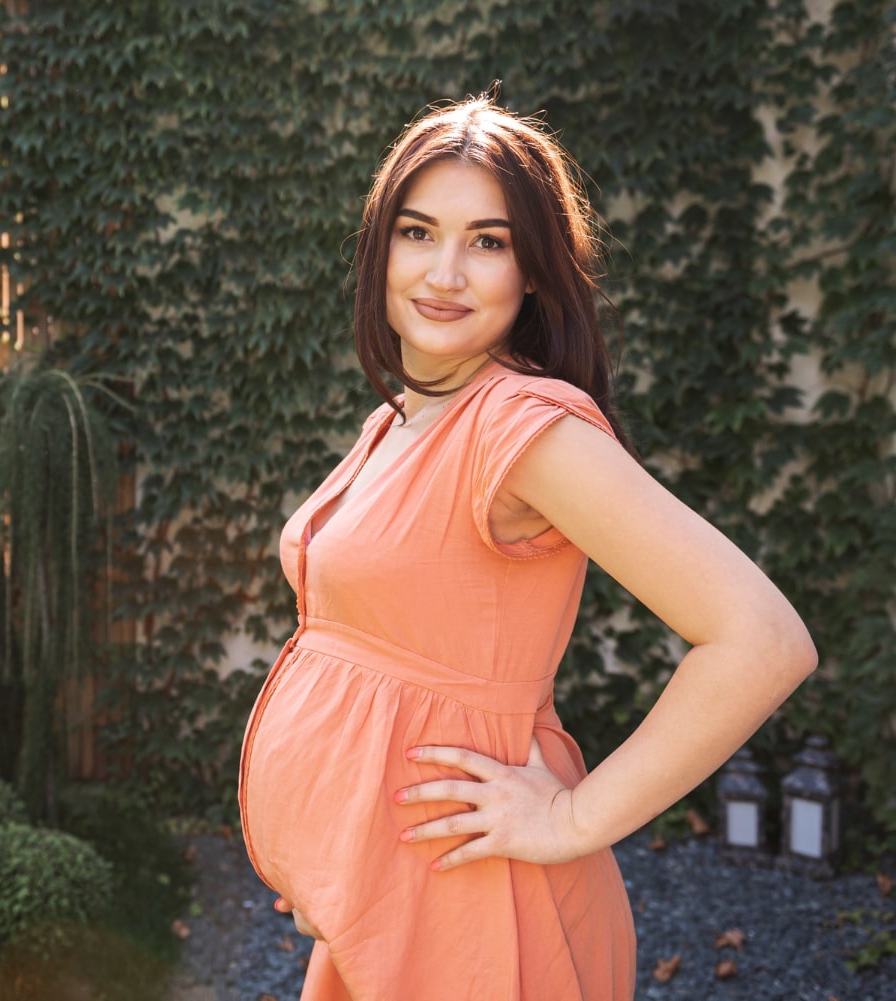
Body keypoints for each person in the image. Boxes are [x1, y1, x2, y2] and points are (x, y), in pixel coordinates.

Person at [237, 93, 817, 1001]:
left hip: (480, 911)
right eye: (418, 231)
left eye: (490, 242)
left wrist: (572, 817)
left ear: (535, 272)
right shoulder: (402, 419)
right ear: (380, 247)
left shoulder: (524, 429)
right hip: (391, 899)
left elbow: (763, 640)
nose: (445, 272)